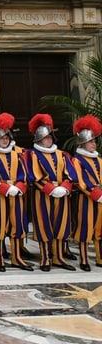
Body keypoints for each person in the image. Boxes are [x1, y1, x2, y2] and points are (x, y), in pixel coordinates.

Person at [26, 113, 77, 272]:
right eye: (45, 138)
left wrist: (65, 187)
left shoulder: (62, 154)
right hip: (42, 195)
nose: (48, 140)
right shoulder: (33, 155)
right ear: (39, 139)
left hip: (61, 194)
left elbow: (71, 173)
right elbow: (33, 175)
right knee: (44, 225)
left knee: (61, 225)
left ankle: (59, 257)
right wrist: (50, 189)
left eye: (50, 137)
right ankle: (45, 257)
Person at [0, 112, 33, 272]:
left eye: (6, 138)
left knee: (16, 225)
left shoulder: (16, 155)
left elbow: (23, 174)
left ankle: (16, 257)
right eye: (2, 138)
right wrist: (5, 188)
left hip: (16, 195)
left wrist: (18, 186)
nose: (4, 141)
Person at [70, 115, 102, 271]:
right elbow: (79, 180)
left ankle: (100, 257)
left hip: (101, 198)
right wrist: (94, 192)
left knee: (100, 229)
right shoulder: (77, 160)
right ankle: (83, 259)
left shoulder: (100, 160)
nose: (93, 144)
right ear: (82, 143)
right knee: (85, 229)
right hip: (86, 199)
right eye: (90, 141)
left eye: (94, 141)